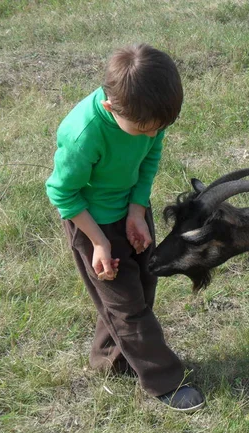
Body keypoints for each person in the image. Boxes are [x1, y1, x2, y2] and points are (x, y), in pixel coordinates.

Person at [45, 43, 204, 412]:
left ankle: (109, 359)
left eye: (159, 129)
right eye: (143, 130)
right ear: (110, 107)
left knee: (142, 288)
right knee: (128, 307)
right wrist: (99, 242)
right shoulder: (83, 133)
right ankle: (165, 380)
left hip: (131, 210)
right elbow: (62, 193)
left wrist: (136, 210)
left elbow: (150, 158)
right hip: (92, 223)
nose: (152, 135)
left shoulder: (149, 115)